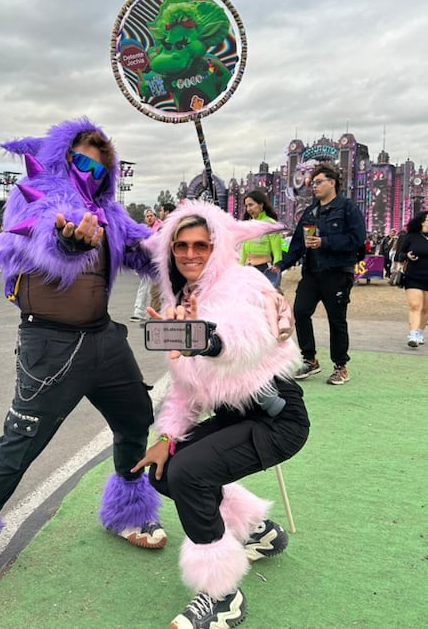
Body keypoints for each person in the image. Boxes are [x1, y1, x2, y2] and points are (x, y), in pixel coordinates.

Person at [0, 119, 164, 596]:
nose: (91, 174)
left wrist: (191, 244)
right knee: (20, 443)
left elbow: (149, 252)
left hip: (105, 341)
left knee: (135, 419)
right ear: (61, 159)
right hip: (50, 347)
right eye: (81, 162)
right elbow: (41, 236)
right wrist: (69, 243)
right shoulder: (36, 196)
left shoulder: (111, 213)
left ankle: (128, 511)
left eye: (101, 169)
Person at [134, 202, 309, 629]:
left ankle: (222, 596)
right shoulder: (183, 300)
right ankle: (257, 532)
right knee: (162, 470)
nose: (190, 254)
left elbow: (247, 334)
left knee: (189, 472)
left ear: (218, 247)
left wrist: (206, 340)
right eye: (181, 246)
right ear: (170, 251)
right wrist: (168, 436)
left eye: (202, 245)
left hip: (276, 415)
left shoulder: (244, 282)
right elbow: (186, 389)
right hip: (235, 418)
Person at [269, 164, 365, 385]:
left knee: (336, 319)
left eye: (318, 182)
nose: (314, 187)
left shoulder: (347, 208)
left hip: (337, 273)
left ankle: (341, 366)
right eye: (312, 183)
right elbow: (297, 245)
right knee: (301, 312)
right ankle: (310, 359)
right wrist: (281, 265)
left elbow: (357, 238)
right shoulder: (310, 212)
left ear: (332, 182)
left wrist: (325, 242)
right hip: (312, 273)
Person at [395, 211, 428, 347]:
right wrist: (406, 256)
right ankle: (413, 334)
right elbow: (399, 254)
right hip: (414, 276)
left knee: (426, 308)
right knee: (415, 306)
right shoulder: (411, 237)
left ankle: (420, 332)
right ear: (422, 221)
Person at [239, 190, 284, 288]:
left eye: (251, 205)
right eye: (246, 206)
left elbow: (277, 251)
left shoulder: (270, 224)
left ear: (261, 205)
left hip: (264, 269)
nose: (248, 209)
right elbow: (243, 250)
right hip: (247, 270)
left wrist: (276, 267)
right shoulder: (247, 225)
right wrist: (239, 268)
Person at [131, 208, 162, 321]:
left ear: (155, 216)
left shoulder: (160, 227)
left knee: (157, 290)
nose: (149, 218)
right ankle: (139, 312)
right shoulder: (144, 230)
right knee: (144, 286)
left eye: (151, 215)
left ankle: (156, 313)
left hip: (158, 262)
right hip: (147, 263)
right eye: (147, 216)